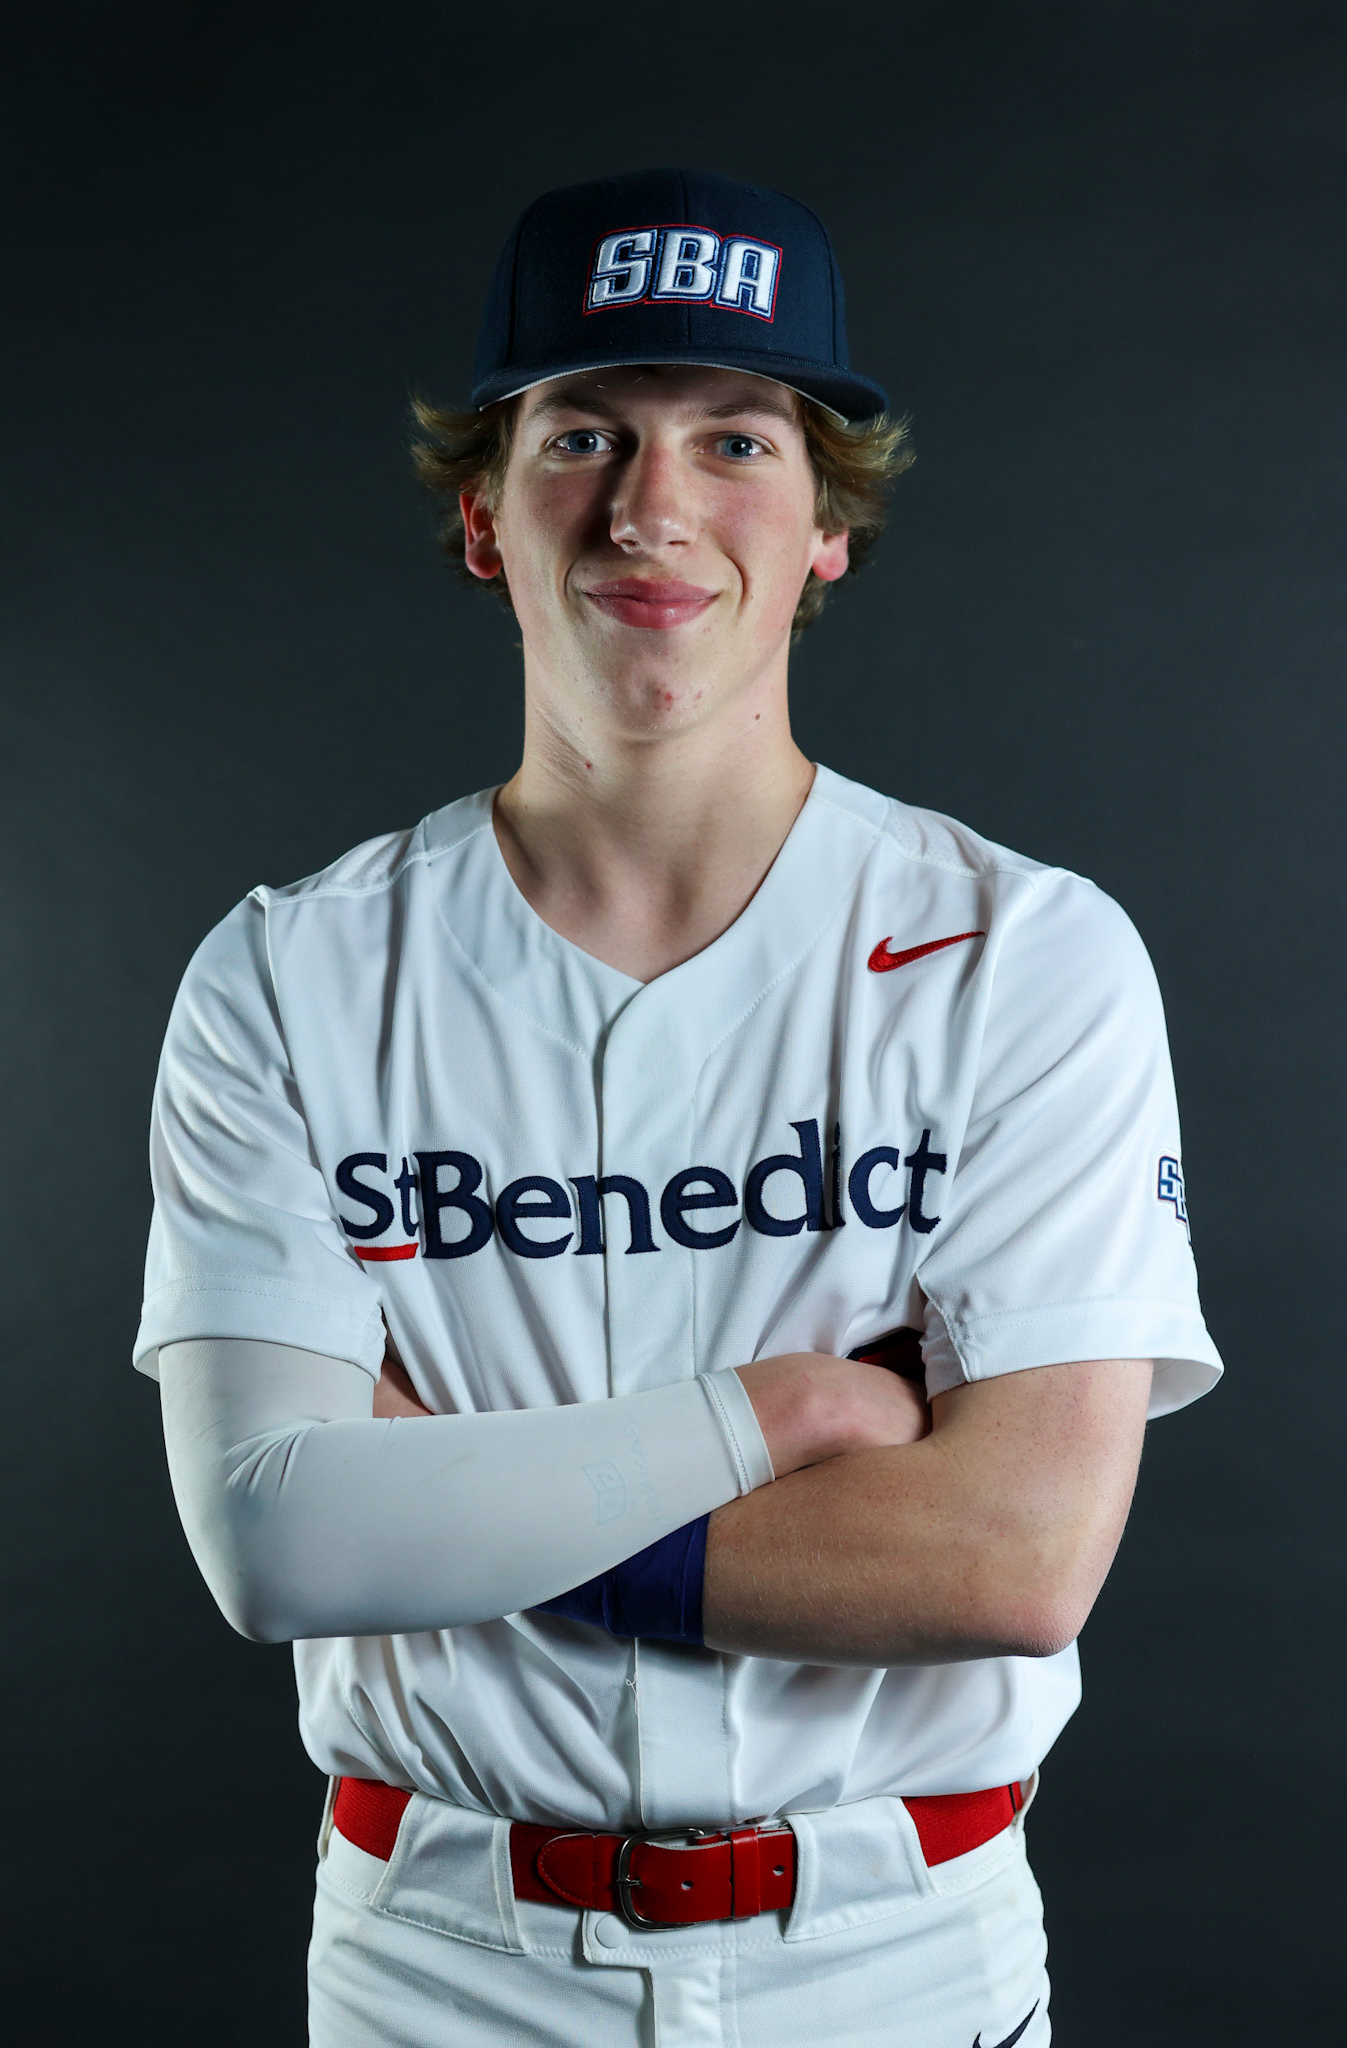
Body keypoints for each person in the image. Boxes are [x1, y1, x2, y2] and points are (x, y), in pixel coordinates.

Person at [135, 168, 1223, 2047]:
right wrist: (783, 1417)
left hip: (896, 1944)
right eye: (581, 435)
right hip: (438, 1961)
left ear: (825, 534)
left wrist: (451, 1499)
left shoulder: (1022, 953)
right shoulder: (285, 972)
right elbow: (280, 1549)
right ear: (484, 516)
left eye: (733, 440)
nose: (651, 508)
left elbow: (1007, 1561)